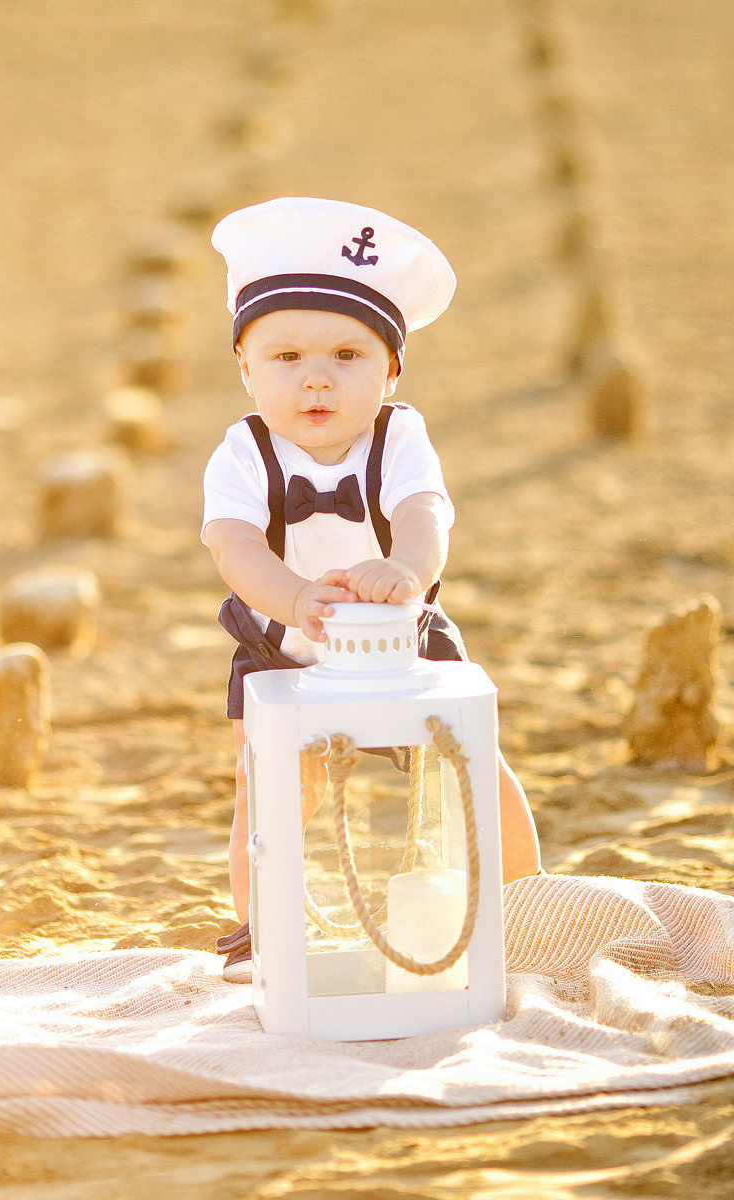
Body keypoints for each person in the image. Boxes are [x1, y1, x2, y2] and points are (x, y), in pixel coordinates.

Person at [202, 197, 540, 981]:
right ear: (245, 369)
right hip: (284, 647)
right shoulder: (244, 452)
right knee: (272, 785)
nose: (316, 378)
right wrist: (291, 597)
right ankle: (263, 926)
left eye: (348, 356)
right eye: (284, 358)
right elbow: (234, 544)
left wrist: (408, 571)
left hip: (402, 636)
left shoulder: (402, 436)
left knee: (474, 764)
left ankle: (528, 897)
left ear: (391, 368)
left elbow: (425, 515)